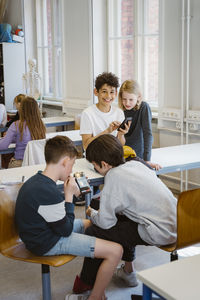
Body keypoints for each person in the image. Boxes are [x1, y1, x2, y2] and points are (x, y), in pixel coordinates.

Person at [15, 136, 123, 300]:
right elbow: (65, 230)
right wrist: (69, 196)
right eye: (72, 165)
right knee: (116, 251)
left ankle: (91, 279)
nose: (71, 170)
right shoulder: (46, 192)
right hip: (45, 242)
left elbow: (60, 220)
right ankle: (95, 297)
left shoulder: (39, 181)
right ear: (65, 162)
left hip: (45, 232)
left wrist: (68, 197)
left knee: (90, 223)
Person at [71, 134, 177, 294]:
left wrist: (91, 212)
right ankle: (128, 272)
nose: (96, 169)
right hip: (179, 224)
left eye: (95, 166)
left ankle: (86, 284)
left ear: (104, 164)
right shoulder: (137, 164)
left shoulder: (113, 177)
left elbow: (105, 223)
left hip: (160, 232)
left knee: (95, 231)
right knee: (123, 220)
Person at [80, 72, 130, 150]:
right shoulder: (87, 114)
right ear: (96, 92)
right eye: (104, 91)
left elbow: (121, 145)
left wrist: (121, 134)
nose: (108, 96)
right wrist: (107, 131)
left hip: (113, 155)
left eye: (112, 92)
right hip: (94, 156)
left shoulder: (119, 112)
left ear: (116, 93)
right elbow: (85, 146)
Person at [0, 96, 46, 168]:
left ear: (22, 109)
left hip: (20, 164)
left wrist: (6, 138)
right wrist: (12, 139)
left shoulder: (17, 124)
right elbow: (27, 140)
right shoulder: (40, 125)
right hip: (36, 164)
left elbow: (3, 146)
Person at [118, 79, 155, 166]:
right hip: (123, 153)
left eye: (131, 99)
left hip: (139, 154)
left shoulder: (144, 107)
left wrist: (147, 159)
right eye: (124, 99)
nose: (127, 103)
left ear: (138, 97)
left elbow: (148, 134)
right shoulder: (119, 110)